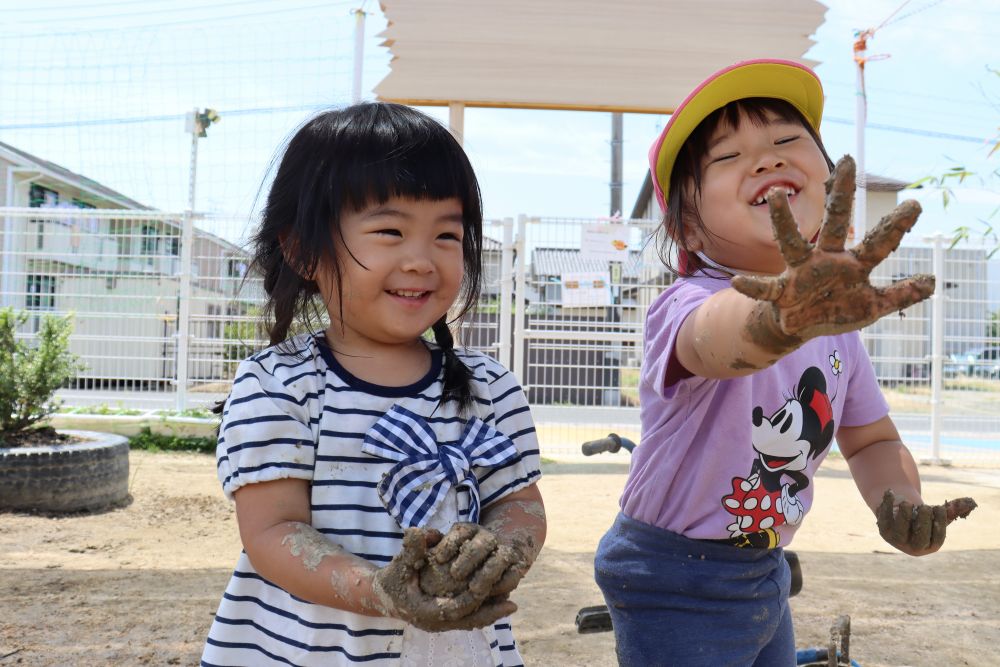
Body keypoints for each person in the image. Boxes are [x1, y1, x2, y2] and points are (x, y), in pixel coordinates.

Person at [593, 59, 975, 666]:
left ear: (828, 180)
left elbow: (872, 439)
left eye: (786, 139)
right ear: (689, 226)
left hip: (762, 565)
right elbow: (718, 343)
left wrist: (898, 502)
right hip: (671, 575)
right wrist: (784, 320)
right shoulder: (689, 304)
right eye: (727, 157)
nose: (767, 158)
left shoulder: (837, 331)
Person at [201, 102, 546, 667]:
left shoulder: (490, 386)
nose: (421, 260)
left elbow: (521, 504)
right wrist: (380, 589)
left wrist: (500, 551)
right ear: (303, 249)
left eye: (446, 235)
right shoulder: (280, 383)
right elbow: (271, 530)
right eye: (390, 230)